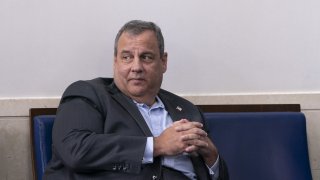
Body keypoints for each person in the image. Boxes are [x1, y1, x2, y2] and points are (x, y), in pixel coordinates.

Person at [44, 20, 228, 180]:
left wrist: (213, 159)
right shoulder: (89, 94)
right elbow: (76, 150)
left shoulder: (187, 110)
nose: (136, 67)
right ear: (115, 61)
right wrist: (157, 145)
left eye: (146, 57)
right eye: (127, 57)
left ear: (163, 62)